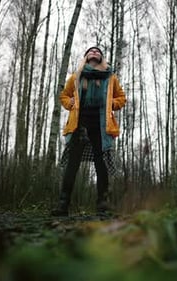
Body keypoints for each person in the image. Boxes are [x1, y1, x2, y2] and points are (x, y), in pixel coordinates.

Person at [51, 46, 126, 216]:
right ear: (86, 56)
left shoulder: (110, 77)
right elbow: (64, 96)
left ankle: (102, 205)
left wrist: (112, 104)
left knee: (102, 164)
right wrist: (69, 103)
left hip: (101, 125)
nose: (94, 52)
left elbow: (121, 98)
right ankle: (63, 204)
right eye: (91, 51)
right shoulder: (76, 76)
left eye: (98, 51)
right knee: (72, 163)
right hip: (79, 124)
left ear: (101, 57)